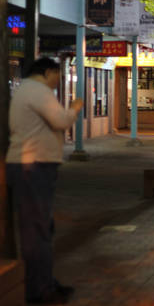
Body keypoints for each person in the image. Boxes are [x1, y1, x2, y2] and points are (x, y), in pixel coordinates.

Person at [6, 57, 83, 304]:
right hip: (33, 165)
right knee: (36, 228)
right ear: (48, 72)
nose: (58, 81)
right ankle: (38, 289)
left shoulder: (26, 90)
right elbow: (61, 120)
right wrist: (75, 108)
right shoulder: (37, 91)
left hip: (32, 164)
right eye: (58, 75)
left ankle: (43, 282)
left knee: (40, 227)